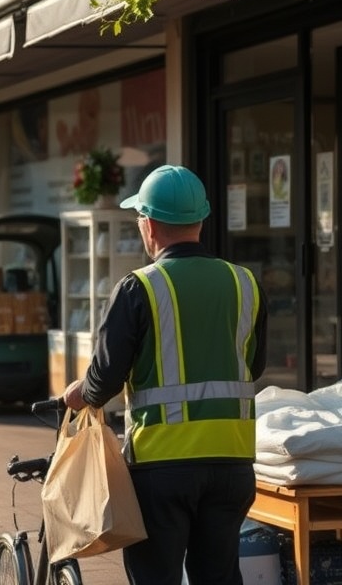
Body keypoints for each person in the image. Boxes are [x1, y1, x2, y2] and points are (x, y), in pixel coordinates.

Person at [62, 164, 268, 585]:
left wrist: (78, 394)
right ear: (201, 220)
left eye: (139, 217)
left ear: (149, 225)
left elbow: (105, 379)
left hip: (162, 466)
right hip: (233, 463)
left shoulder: (139, 287)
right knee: (220, 577)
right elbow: (255, 364)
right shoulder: (245, 282)